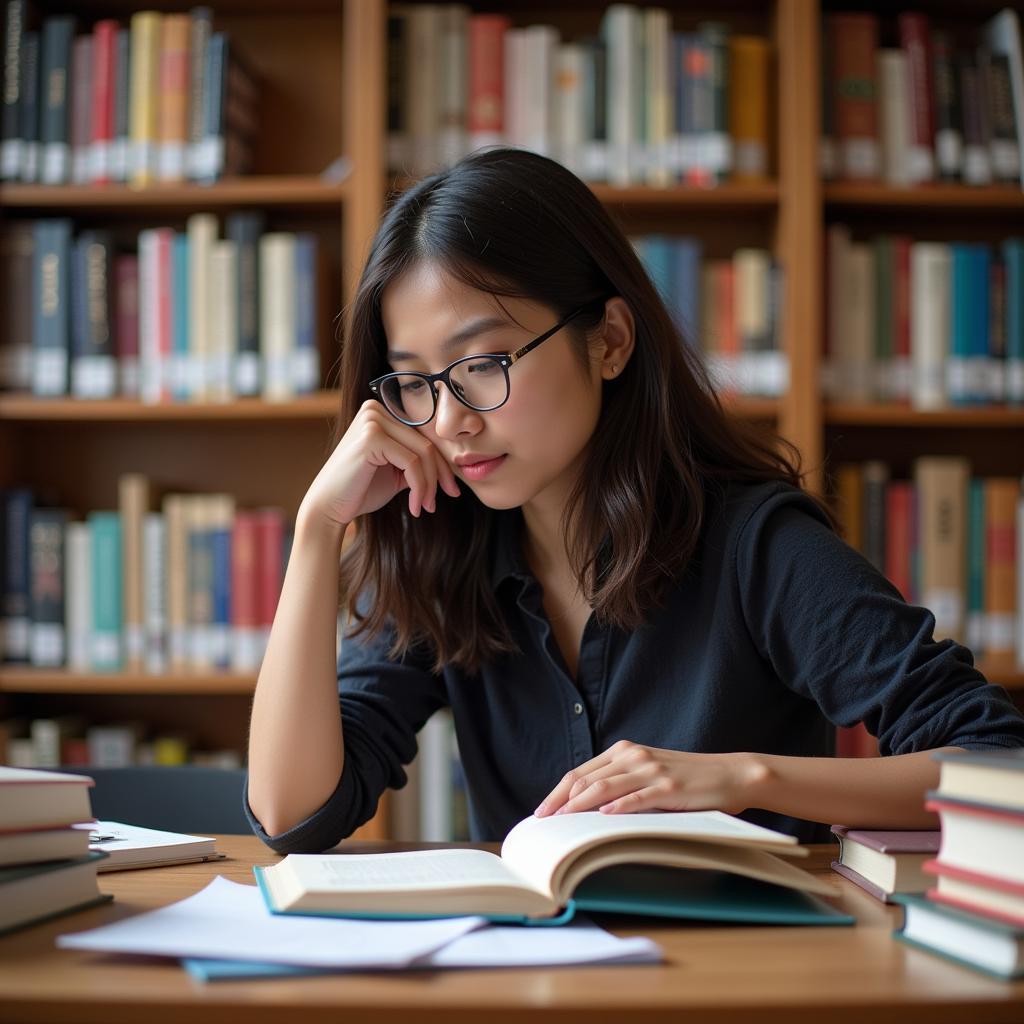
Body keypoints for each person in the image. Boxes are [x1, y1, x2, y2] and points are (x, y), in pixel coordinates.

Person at [246, 148, 1024, 853]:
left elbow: (1002, 769)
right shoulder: (442, 548)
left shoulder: (755, 545)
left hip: (748, 981)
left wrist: (748, 780)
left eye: (482, 362)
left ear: (610, 340)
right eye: (416, 381)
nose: (450, 420)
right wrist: (319, 528)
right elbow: (295, 815)